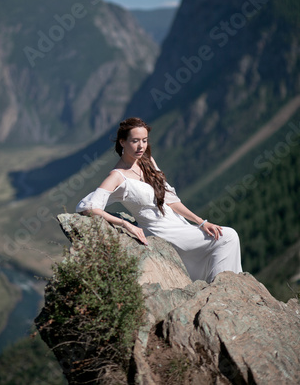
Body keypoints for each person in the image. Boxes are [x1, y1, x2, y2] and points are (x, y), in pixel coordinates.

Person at [76, 117, 242, 283]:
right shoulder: (117, 176)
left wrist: (201, 222)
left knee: (223, 237)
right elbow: (87, 207)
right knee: (228, 236)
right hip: (160, 231)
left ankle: (223, 285)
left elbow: (170, 199)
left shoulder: (147, 162)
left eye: (144, 140)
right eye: (135, 141)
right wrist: (125, 224)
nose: (141, 146)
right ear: (122, 142)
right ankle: (223, 286)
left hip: (177, 224)